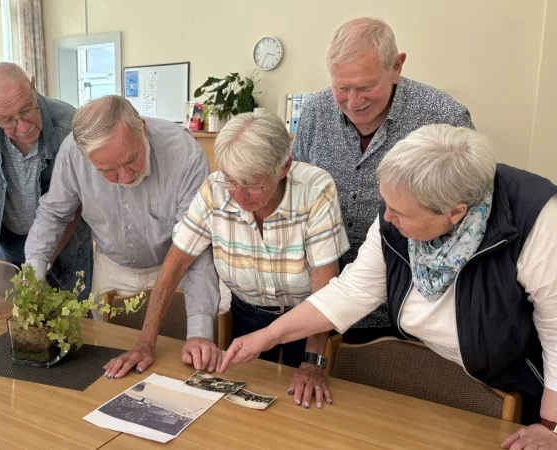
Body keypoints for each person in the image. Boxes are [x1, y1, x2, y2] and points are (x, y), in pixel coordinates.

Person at [221, 125, 557, 447]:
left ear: (455, 214)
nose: (388, 219)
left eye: (399, 213)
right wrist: (266, 337)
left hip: (519, 390)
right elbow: (351, 291)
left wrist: (549, 426)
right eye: (386, 205)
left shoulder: (539, 222)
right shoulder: (398, 210)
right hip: (440, 375)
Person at [105, 112, 349, 410]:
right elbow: (174, 266)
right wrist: (146, 342)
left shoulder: (316, 190)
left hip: (308, 322)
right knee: (242, 411)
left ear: (283, 167)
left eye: (252, 185)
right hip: (248, 316)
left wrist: (313, 361)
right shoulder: (215, 188)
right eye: (232, 181)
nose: (239, 196)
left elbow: (325, 287)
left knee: (306, 409)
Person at [291, 17, 475, 343]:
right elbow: (297, 196)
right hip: (323, 299)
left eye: (365, 87)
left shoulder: (444, 118)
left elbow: (469, 221)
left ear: (396, 66)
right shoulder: (315, 113)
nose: (353, 101)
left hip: (408, 311)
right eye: (341, 88)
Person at [24, 95, 218, 322]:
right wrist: (35, 273)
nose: (126, 178)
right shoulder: (72, 153)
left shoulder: (185, 154)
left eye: (131, 159)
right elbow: (54, 213)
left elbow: (197, 244)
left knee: (179, 347)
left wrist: (200, 328)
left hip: (176, 268)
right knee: (107, 348)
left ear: (142, 129)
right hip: (111, 268)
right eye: (108, 171)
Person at [0, 62, 92, 315]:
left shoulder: (69, 125)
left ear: (32, 85)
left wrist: (40, 262)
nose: (23, 126)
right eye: (7, 121)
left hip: (67, 244)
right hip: (9, 244)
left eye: (26, 110)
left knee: (70, 328)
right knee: (10, 325)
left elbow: (77, 204)